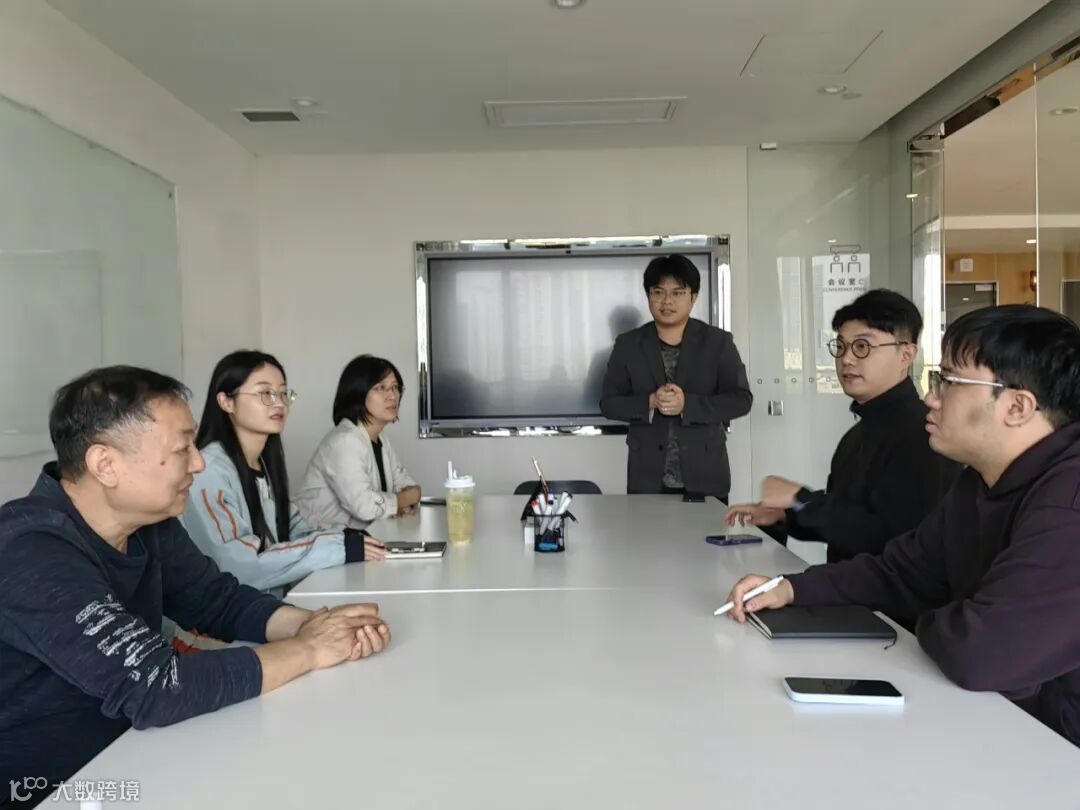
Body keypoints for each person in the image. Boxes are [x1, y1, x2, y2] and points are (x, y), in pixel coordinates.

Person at [0, 367, 391, 805]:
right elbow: (155, 685)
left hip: (135, 754)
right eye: (181, 448)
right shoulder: (28, 547)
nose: (199, 462)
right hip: (48, 789)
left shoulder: (147, 523)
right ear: (105, 465)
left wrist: (317, 625)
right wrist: (309, 649)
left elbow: (216, 601)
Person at [725, 305, 1080, 746]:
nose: (931, 398)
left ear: (1017, 406)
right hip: (997, 723)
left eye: (948, 382)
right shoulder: (980, 480)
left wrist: (927, 619)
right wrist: (791, 588)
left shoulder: (1068, 503)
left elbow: (983, 652)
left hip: (1054, 751)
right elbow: (902, 571)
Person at [727, 289, 960, 563]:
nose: (846, 359)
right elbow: (847, 524)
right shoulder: (857, 435)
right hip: (847, 584)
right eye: (840, 346)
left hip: (887, 592)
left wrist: (802, 499)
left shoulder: (924, 434)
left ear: (906, 354)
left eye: (862, 346)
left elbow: (898, 539)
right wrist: (786, 515)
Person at [182, 351, 385, 598]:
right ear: (226, 402)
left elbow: (294, 528)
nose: (279, 402)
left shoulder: (262, 464)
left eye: (283, 393)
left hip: (264, 606)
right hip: (222, 619)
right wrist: (338, 547)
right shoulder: (208, 470)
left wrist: (345, 536)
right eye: (265, 393)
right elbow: (239, 565)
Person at [600, 254, 752, 501]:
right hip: (647, 478)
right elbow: (608, 404)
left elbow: (741, 400)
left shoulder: (717, 342)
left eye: (678, 293)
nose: (667, 301)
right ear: (648, 295)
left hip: (706, 477)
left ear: (693, 297)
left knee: (706, 529)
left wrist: (687, 405)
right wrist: (650, 401)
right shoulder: (628, 344)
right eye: (658, 292)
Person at [295, 355, 420, 531]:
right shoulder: (345, 441)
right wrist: (403, 500)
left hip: (355, 538)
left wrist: (404, 499)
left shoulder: (381, 439)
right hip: (316, 540)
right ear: (358, 393)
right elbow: (365, 507)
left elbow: (406, 483)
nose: (392, 395)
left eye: (395, 387)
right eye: (381, 387)